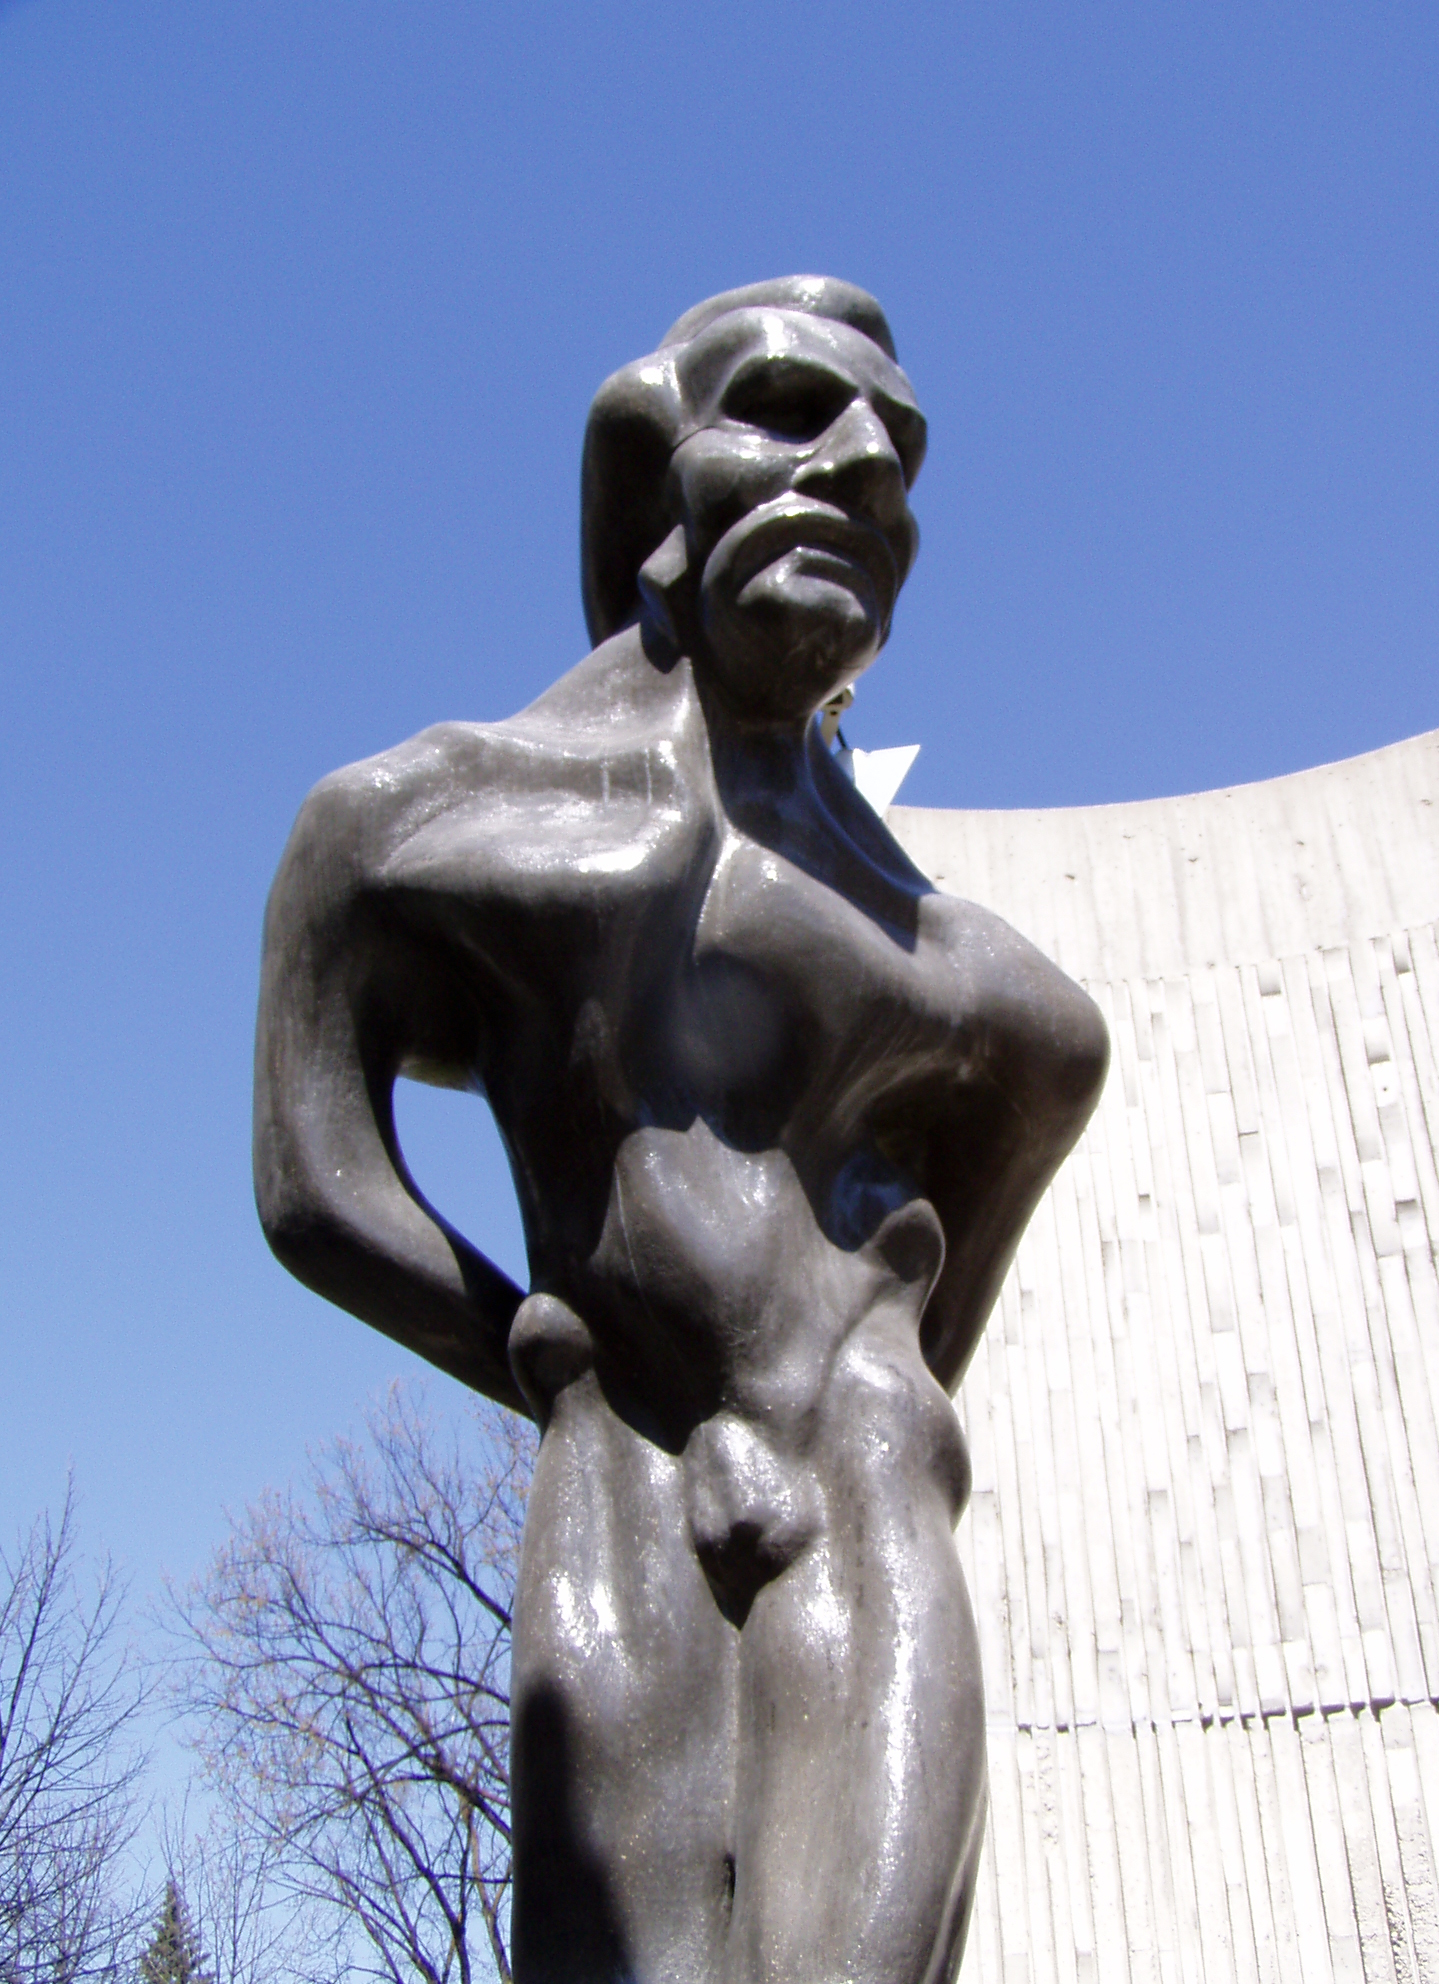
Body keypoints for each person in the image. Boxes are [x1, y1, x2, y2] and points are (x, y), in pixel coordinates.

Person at [254, 276, 1109, 1984]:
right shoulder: (434, 824)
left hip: (860, 1492)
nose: (865, 464)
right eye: (795, 407)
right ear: (655, 466)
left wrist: (869, 1383)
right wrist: (543, 1350)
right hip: (621, 1480)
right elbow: (311, 1175)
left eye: (900, 452)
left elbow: (985, 1224)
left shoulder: (979, 987)